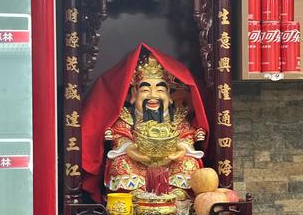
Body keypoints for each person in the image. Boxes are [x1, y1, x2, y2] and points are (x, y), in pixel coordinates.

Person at [82, 44, 209, 201]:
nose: (153, 96)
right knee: (120, 162)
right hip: (137, 161)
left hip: (170, 162)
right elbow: (121, 136)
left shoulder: (177, 117)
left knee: (190, 162)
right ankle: (135, 195)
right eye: (145, 90)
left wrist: (180, 151)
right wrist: (132, 151)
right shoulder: (126, 116)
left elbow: (186, 137)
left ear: (170, 97)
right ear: (134, 95)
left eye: (160, 90)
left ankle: (177, 195)